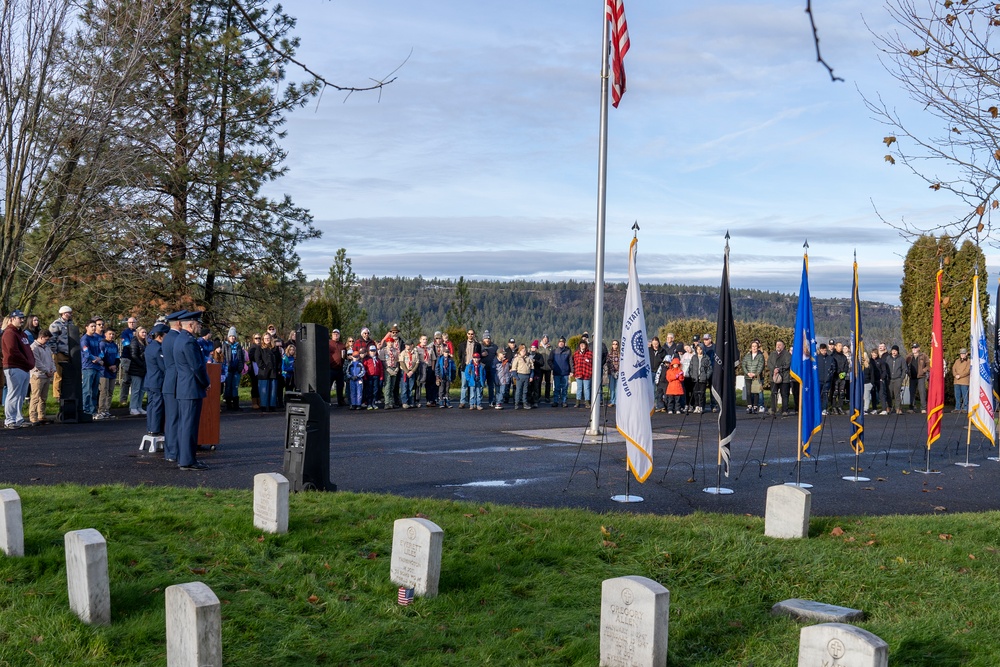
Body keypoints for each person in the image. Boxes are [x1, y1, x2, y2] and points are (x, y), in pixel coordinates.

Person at [174, 312, 211, 470]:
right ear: (190, 325)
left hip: (184, 387)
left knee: (184, 424)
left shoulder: (180, 339)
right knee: (189, 425)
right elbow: (197, 366)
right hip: (191, 388)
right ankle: (188, 460)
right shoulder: (189, 342)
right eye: (198, 324)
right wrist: (206, 382)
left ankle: (183, 457)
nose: (199, 327)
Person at [161, 311, 185, 462]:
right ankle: (174, 452)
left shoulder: (168, 337)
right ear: (179, 323)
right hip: (176, 382)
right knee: (175, 419)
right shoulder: (176, 339)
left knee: (171, 419)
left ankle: (171, 451)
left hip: (170, 381)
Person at [3, 311, 34, 428]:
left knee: (21, 395)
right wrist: (27, 362)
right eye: (19, 318)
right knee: (13, 394)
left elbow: (28, 350)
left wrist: (30, 362)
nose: (22, 320)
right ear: (12, 319)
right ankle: (10, 420)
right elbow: (13, 351)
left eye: (22, 318)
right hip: (14, 366)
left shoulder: (22, 334)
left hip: (24, 368)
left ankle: (18, 419)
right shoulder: (9, 333)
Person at [144, 323, 168, 437]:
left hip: (150, 380)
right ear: (161, 336)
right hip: (158, 381)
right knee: (158, 405)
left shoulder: (150, 346)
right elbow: (163, 366)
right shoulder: (158, 349)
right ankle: (156, 428)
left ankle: (151, 428)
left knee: (151, 405)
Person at [29, 329, 55, 425]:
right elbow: (37, 362)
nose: (47, 341)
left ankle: (41, 415)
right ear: (41, 337)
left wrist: (53, 369)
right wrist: (47, 371)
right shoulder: (34, 347)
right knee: (35, 397)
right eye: (46, 339)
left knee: (43, 397)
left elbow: (51, 360)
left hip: (46, 375)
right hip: (38, 375)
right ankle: (33, 417)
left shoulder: (47, 347)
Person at [80, 318, 104, 418]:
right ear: (87, 327)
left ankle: (93, 410)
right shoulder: (84, 339)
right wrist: (93, 358)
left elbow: (101, 351)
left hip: (96, 367)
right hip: (88, 367)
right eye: (92, 326)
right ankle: (86, 410)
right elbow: (86, 352)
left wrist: (99, 358)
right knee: (87, 390)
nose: (94, 328)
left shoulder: (96, 339)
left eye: (95, 326)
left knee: (94, 390)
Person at [48, 306, 73, 400]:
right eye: (68, 313)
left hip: (69, 353)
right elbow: (51, 340)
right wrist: (55, 351)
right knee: (58, 374)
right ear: (63, 313)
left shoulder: (70, 324)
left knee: (67, 375)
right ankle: (57, 395)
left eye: (70, 313)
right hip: (59, 352)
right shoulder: (56, 324)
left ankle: (66, 393)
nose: (69, 315)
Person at [96, 327, 119, 420]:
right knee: (103, 391)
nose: (111, 336)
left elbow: (118, 357)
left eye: (113, 334)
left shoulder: (115, 345)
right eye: (110, 334)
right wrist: (109, 366)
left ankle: (107, 410)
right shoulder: (102, 344)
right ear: (105, 334)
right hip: (104, 371)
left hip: (113, 371)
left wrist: (115, 366)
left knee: (110, 391)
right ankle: (101, 410)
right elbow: (101, 357)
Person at [253, 332, 279, 412]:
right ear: (263, 339)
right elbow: (258, 359)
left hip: (273, 371)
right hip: (264, 372)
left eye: (268, 338)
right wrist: (263, 367)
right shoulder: (259, 348)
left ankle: (272, 405)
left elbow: (279, 359)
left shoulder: (275, 348)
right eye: (265, 338)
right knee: (264, 390)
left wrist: (278, 369)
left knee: (273, 390)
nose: (267, 339)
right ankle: (264, 406)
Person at [222, 327, 246, 411]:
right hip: (228, 369)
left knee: (235, 386)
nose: (232, 338)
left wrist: (240, 367)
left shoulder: (238, 346)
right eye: (231, 336)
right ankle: (228, 404)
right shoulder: (225, 345)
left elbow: (241, 358)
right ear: (228, 337)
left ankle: (236, 405)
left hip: (236, 369)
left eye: (233, 336)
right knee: (228, 386)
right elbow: (223, 357)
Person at [456, 329, 482, 408]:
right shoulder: (462, 345)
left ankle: (473, 402)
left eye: (472, 334)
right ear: (467, 334)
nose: (470, 335)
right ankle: (462, 401)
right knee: (464, 385)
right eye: (469, 334)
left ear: (474, 335)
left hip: (474, 367)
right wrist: (464, 363)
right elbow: (460, 356)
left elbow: (479, 355)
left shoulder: (478, 345)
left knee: (474, 385)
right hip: (465, 367)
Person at [127, 327, 148, 415]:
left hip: (143, 369)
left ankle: (139, 406)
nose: (144, 334)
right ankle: (133, 407)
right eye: (142, 332)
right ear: (138, 333)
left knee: (142, 389)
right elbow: (133, 355)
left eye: (145, 332)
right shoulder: (134, 341)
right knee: (136, 389)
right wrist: (141, 364)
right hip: (136, 369)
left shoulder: (145, 343)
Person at [768, 340, 791, 416]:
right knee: (773, 394)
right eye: (777, 344)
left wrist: (779, 369)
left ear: (783, 346)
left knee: (784, 394)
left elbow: (788, 364)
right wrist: (774, 369)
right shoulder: (772, 354)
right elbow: (769, 363)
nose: (778, 346)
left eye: (780, 345)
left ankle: (785, 410)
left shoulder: (787, 354)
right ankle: (773, 409)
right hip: (774, 377)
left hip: (784, 378)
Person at [742, 339, 766, 414]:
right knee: (748, 392)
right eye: (753, 346)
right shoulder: (747, 356)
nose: (754, 348)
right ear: (751, 347)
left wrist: (755, 374)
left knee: (755, 392)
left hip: (756, 377)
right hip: (748, 376)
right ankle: (749, 406)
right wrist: (747, 373)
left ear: (758, 347)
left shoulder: (760, 356)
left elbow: (760, 366)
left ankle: (755, 406)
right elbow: (743, 365)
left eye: (755, 346)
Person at [688, 343, 712, 414]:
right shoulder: (694, 357)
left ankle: (701, 406)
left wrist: (706, 376)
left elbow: (709, 368)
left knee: (702, 393)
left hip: (702, 378)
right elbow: (691, 368)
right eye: (697, 349)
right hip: (695, 378)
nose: (699, 351)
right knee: (695, 393)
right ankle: (697, 406)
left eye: (700, 349)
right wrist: (692, 375)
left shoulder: (706, 358)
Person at [379, 333, 401, 409]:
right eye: (389, 342)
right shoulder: (383, 350)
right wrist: (387, 369)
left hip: (394, 368)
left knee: (392, 386)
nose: (390, 343)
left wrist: (397, 368)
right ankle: (387, 402)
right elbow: (382, 361)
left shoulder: (395, 351)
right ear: (386, 343)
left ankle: (391, 402)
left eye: (392, 342)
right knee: (387, 386)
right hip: (387, 369)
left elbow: (398, 360)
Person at [119, 316, 138, 402]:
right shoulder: (125, 333)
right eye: (130, 322)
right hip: (127, 357)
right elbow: (126, 343)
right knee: (126, 380)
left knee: (136, 380)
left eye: (133, 322)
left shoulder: (138, 332)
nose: (132, 324)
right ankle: (123, 399)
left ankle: (134, 400)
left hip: (137, 358)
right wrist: (135, 347)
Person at [906, 343, 929, 413]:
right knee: (912, 392)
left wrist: (923, 371)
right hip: (912, 377)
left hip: (920, 377)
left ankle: (923, 408)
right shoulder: (909, 356)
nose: (914, 349)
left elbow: (928, 365)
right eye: (913, 348)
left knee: (922, 392)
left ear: (919, 348)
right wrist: (907, 372)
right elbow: (905, 365)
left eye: (915, 348)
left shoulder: (923, 356)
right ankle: (911, 408)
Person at [550, 336, 572, 408]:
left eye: (562, 342)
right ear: (558, 343)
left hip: (565, 372)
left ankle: (564, 401)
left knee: (565, 388)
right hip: (557, 372)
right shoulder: (554, 351)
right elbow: (549, 360)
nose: (561, 344)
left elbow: (570, 362)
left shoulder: (568, 351)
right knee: (556, 388)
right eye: (560, 342)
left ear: (564, 343)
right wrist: (553, 367)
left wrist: (571, 371)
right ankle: (555, 401)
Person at [328, 329, 348, 406]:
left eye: (337, 334)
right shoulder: (328, 343)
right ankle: (328, 401)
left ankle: (340, 400)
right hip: (331, 368)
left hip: (340, 368)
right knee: (328, 386)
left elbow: (345, 355)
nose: (336, 335)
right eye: (334, 334)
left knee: (340, 386)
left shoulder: (342, 345)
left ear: (339, 335)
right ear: (332, 335)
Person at [885, 345, 906, 414]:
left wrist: (901, 378)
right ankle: (889, 407)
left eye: (895, 351)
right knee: (889, 394)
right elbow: (885, 368)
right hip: (889, 379)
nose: (894, 352)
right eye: (893, 350)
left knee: (897, 394)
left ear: (897, 351)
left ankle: (898, 408)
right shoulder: (888, 358)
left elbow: (904, 369)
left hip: (897, 379)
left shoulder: (901, 359)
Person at [572, 340, 593, 408]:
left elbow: (593, 363)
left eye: (583, 344)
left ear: (586, 345)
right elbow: (574, 363)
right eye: (581, 344)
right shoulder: (576, 354)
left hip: (587, 374)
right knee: (579, 389)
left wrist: (591, 371)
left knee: (586, 389)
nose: (582, 345)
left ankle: (587, 402)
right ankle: (577, 402)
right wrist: (573, 372)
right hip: (578, 373)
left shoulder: (590, 353)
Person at [480, 331, 498, 407]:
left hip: (491, 368)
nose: (487, 340)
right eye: (485, 339)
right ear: (483, 339)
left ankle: (491, 401)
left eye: (488, 339)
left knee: (491, 386)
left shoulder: (494, 347)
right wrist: (481, 355)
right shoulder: (479, 346)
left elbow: (498, 356)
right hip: (482, 368)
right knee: (481, 385)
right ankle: (479, 401)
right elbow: (475, 356)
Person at [400, 340, 420, 408]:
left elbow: (417, 363)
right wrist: (407, 371)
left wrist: (412, 371)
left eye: (408, 345)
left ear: (412, 345)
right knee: (404, 387)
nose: (407, 346)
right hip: (405, 372)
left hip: (412, 372)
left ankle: (410, 401)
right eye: (406, 345)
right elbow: (401, 362)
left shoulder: (415, 353)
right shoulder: (403, 353)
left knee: (410, 388)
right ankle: (404, 402)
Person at [511, 344, 532, 409]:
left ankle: (525, 403)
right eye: (522, 351)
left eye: (525, 351)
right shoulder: (517, 359)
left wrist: (531, 376)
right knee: (518, 390)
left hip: (527, 375)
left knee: (525, 391)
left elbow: (532, 368)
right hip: (519, 376)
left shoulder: (528, 359)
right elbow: (513, 369)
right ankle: (516, 404)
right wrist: (516, 377)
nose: (524, 352)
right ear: (519, 351)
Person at [363, 345, 383, 409]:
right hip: (369, 376)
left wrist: (381, 377)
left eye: (374, 351)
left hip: (376, 376)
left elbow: (381, 369)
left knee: (375, 390)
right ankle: (369, 403)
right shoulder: (366, 359)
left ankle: (373, 403)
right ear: (369, 351)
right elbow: (364, 369)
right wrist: (365, 377)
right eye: (371, 351)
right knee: (369, 390)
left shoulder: (378, 359)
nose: (373, 352)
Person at [952, 348, 971, 412]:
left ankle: (965, 408)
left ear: (966, 354)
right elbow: (953, 368)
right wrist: (955, 375)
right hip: (956, 381)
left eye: (963, 354)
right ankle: (957, 407)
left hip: (964, 381)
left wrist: (960, 375)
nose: (962, 355)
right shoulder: (957, 361)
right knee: (957, 395)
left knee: (964, 395)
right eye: (961, 354)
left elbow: (967, 371)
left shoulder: (969, 361)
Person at [247, 333, 262, 410]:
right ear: (253, 339)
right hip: (254, 368)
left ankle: (260, 400)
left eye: (259, 338)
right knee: (255, 385)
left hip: (261, 368)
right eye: (256, 338)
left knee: (260, 385)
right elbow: (251, 358)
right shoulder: (252, 348)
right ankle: (254, 402)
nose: (258, 340)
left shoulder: (262, 347)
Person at [538, 334, 553, 403]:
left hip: (548, 368)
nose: (545, 340)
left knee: (548, 383)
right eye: (544, 338)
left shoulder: (550, 347)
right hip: (540, 368)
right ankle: (538, 396)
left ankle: (547, 397)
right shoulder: (538, 347)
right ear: (542, 339)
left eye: (546, 339)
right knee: (539, 383)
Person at [606, 339, 621, 407]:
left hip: (619, 373)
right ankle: (612, 401)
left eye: (616, 344)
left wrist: (618, 371)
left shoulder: (620, 354)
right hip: (611, 373)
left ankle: (618, 401)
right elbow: (608, 363)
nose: (615, 345)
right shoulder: (609, 354)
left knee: (618, 388)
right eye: (613, 344)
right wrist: (612, 372)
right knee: (612, 388)